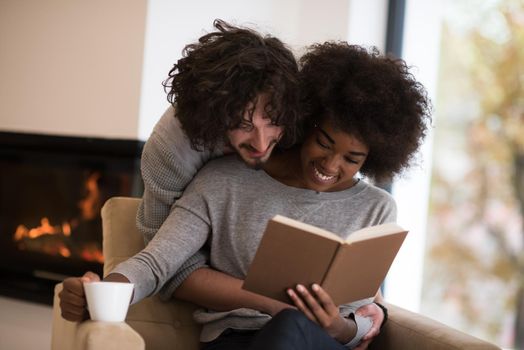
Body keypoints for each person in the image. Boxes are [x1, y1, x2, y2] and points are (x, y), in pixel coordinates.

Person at [59, 42, 431, 349]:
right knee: (287, 326)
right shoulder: (221, 180)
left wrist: (338, 327)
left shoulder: (377, 208)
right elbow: (158, 261)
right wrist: (104, 292)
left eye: (352, 159)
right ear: (307, 122)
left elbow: (362, 317)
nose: (331, 165)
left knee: (295, 328)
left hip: (320, 344)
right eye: (324, 143)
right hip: (235, 340)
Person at [137, 18, 300, 246]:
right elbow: (158, 249)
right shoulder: (170, 148)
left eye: (273, 121)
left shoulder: (297, 120)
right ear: (215, 116)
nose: (262, 145)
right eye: (243, 125)